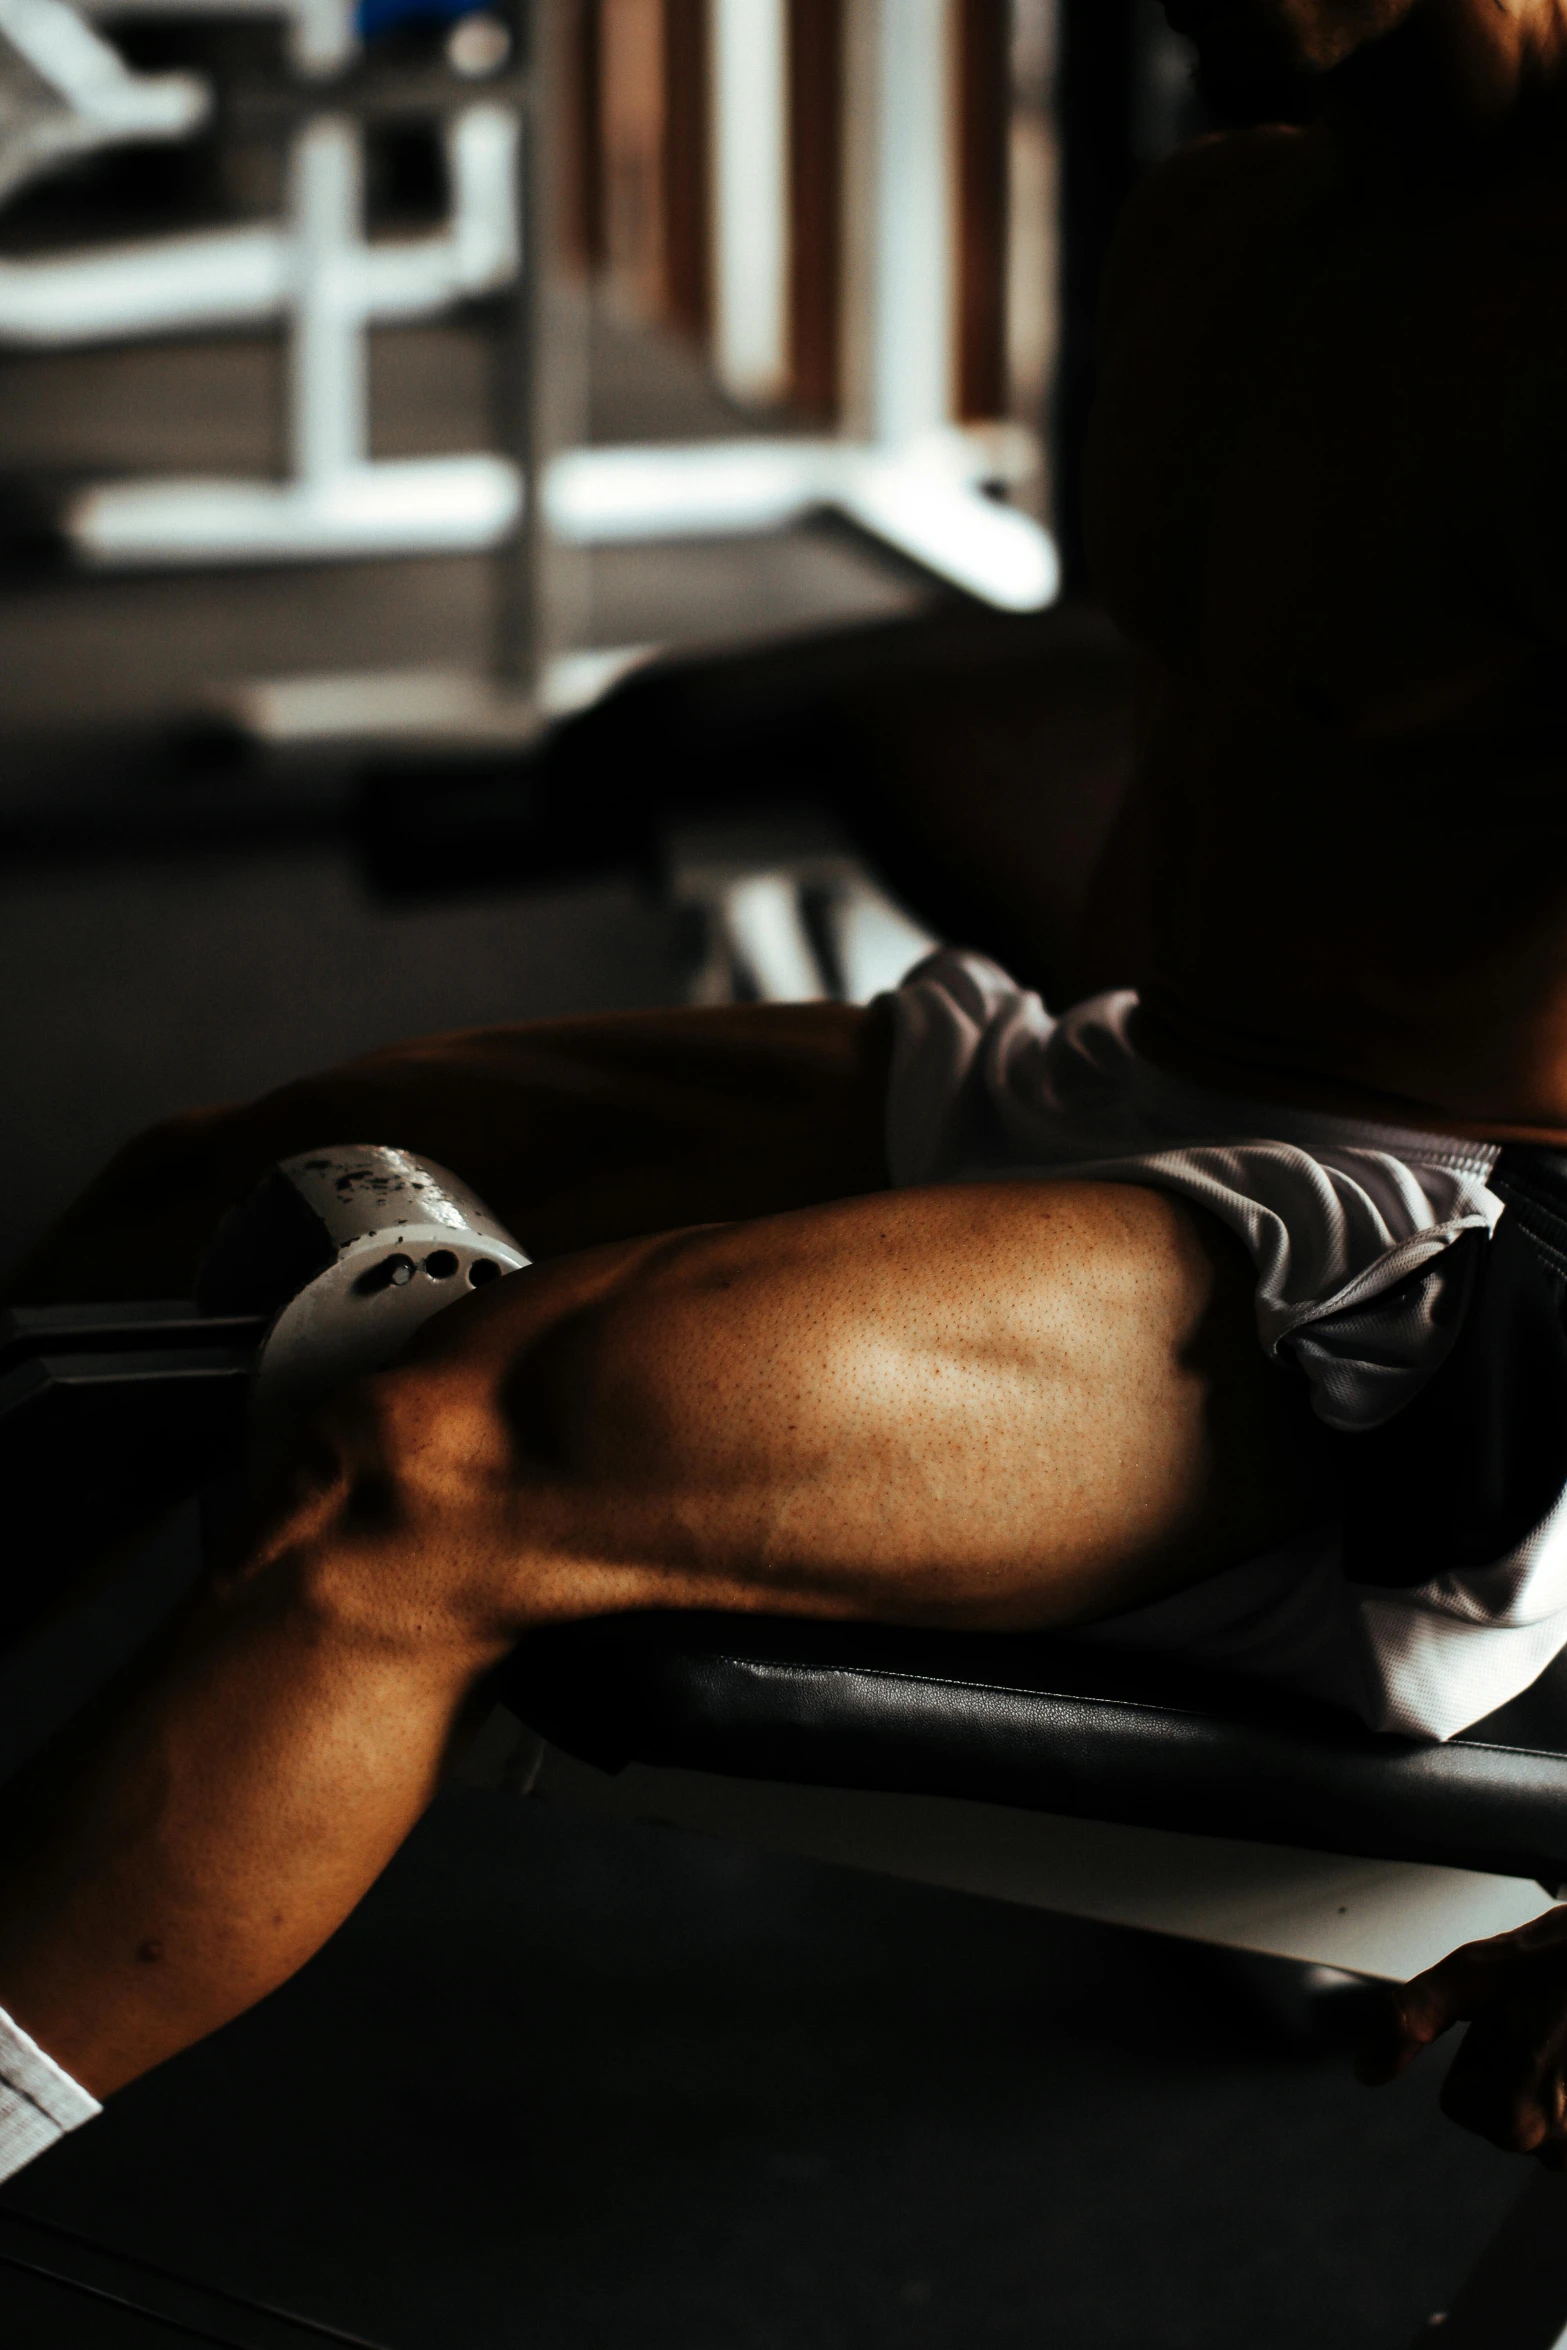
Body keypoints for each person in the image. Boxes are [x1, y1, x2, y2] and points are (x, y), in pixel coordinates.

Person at [3, 0, 1567, 2183]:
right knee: (218, 1192)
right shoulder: (1241, 214)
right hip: (1135, 1077)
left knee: (431, 1462)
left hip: (1431, 1302)